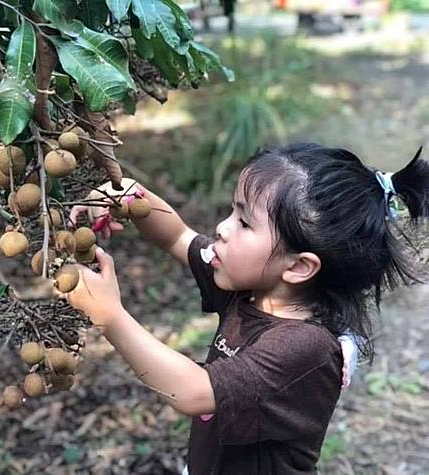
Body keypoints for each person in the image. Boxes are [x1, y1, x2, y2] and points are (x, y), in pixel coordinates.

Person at [65, 143, 429, 474]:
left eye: (244, 222)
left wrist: (110, 316)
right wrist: (131, 197)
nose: (222, 228)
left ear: (298, 267)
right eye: (232, 211)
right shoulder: (252, 289)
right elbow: (178, 236)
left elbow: (193, 392)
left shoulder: (306, 348)